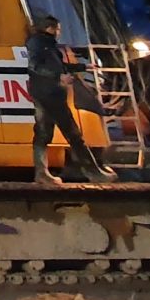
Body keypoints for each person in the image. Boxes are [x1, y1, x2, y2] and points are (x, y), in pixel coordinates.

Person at [25, 13, 117, 185]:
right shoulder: (40, 44)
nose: (59, 32)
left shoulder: (46, 45)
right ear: (49, 28)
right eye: (57, 29)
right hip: (50, 94)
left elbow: (57, 66)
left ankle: (42, 173)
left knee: (43, 133)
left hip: (45, 92)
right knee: (73, 133)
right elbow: (35, 66)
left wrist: (84, 66)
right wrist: (58, 78)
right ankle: (93, 172)